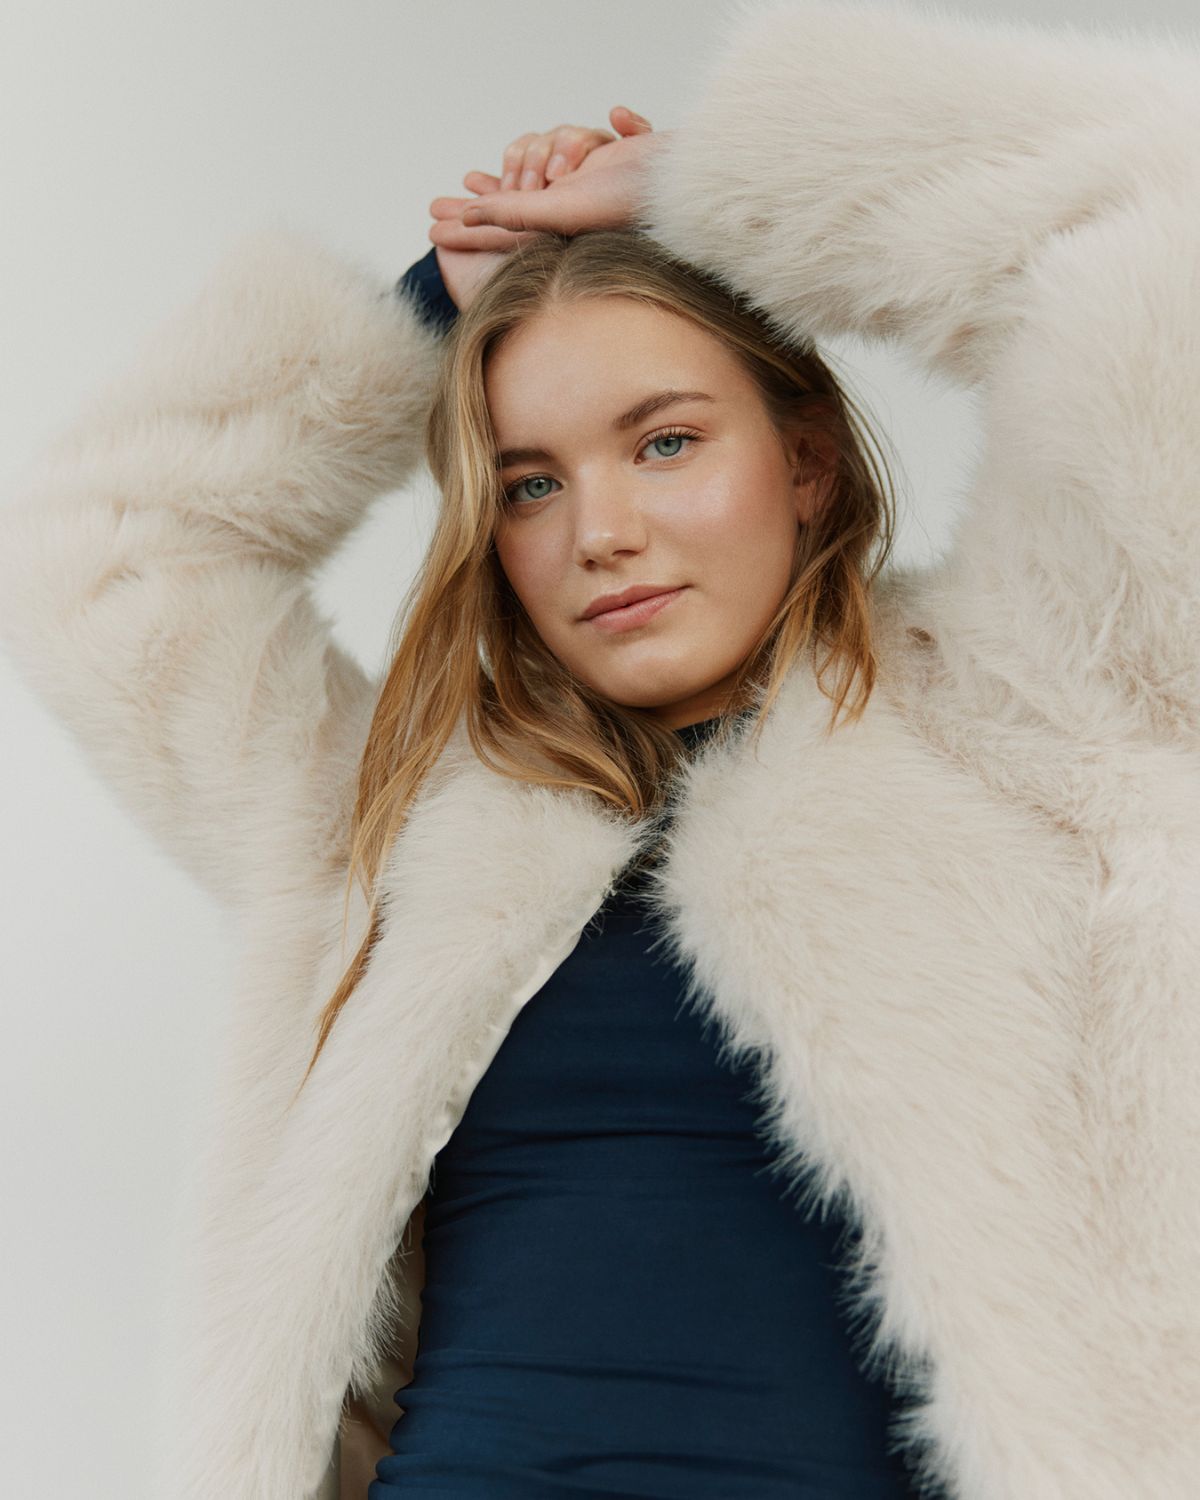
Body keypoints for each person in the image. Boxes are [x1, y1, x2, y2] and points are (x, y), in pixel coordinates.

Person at [0, 2, 1196, 1498]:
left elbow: (1160, 211)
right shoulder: (390, 815)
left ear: (808, 462)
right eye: (528, 481)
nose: (602, 532)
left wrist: (732, 187)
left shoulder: (1047, 705)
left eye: (666, 441)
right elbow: (102, 555)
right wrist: (434, 309)